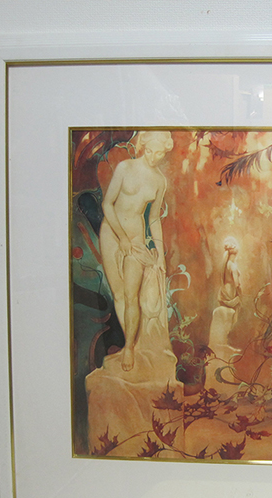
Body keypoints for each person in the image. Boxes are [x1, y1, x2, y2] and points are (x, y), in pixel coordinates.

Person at [99, 130, 175, 372]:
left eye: (159, 153)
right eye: (150, 151)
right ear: (144, 147)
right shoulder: (125, 168)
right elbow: (107, 204)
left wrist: (160, 255)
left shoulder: (160, 181)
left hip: (136, 237)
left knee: (132, 296)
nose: (153, 157)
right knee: (119, 294)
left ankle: (130, 347)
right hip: (112, 233)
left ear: (164, 152)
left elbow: (154, 219)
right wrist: (121, 237)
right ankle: (129, 343)